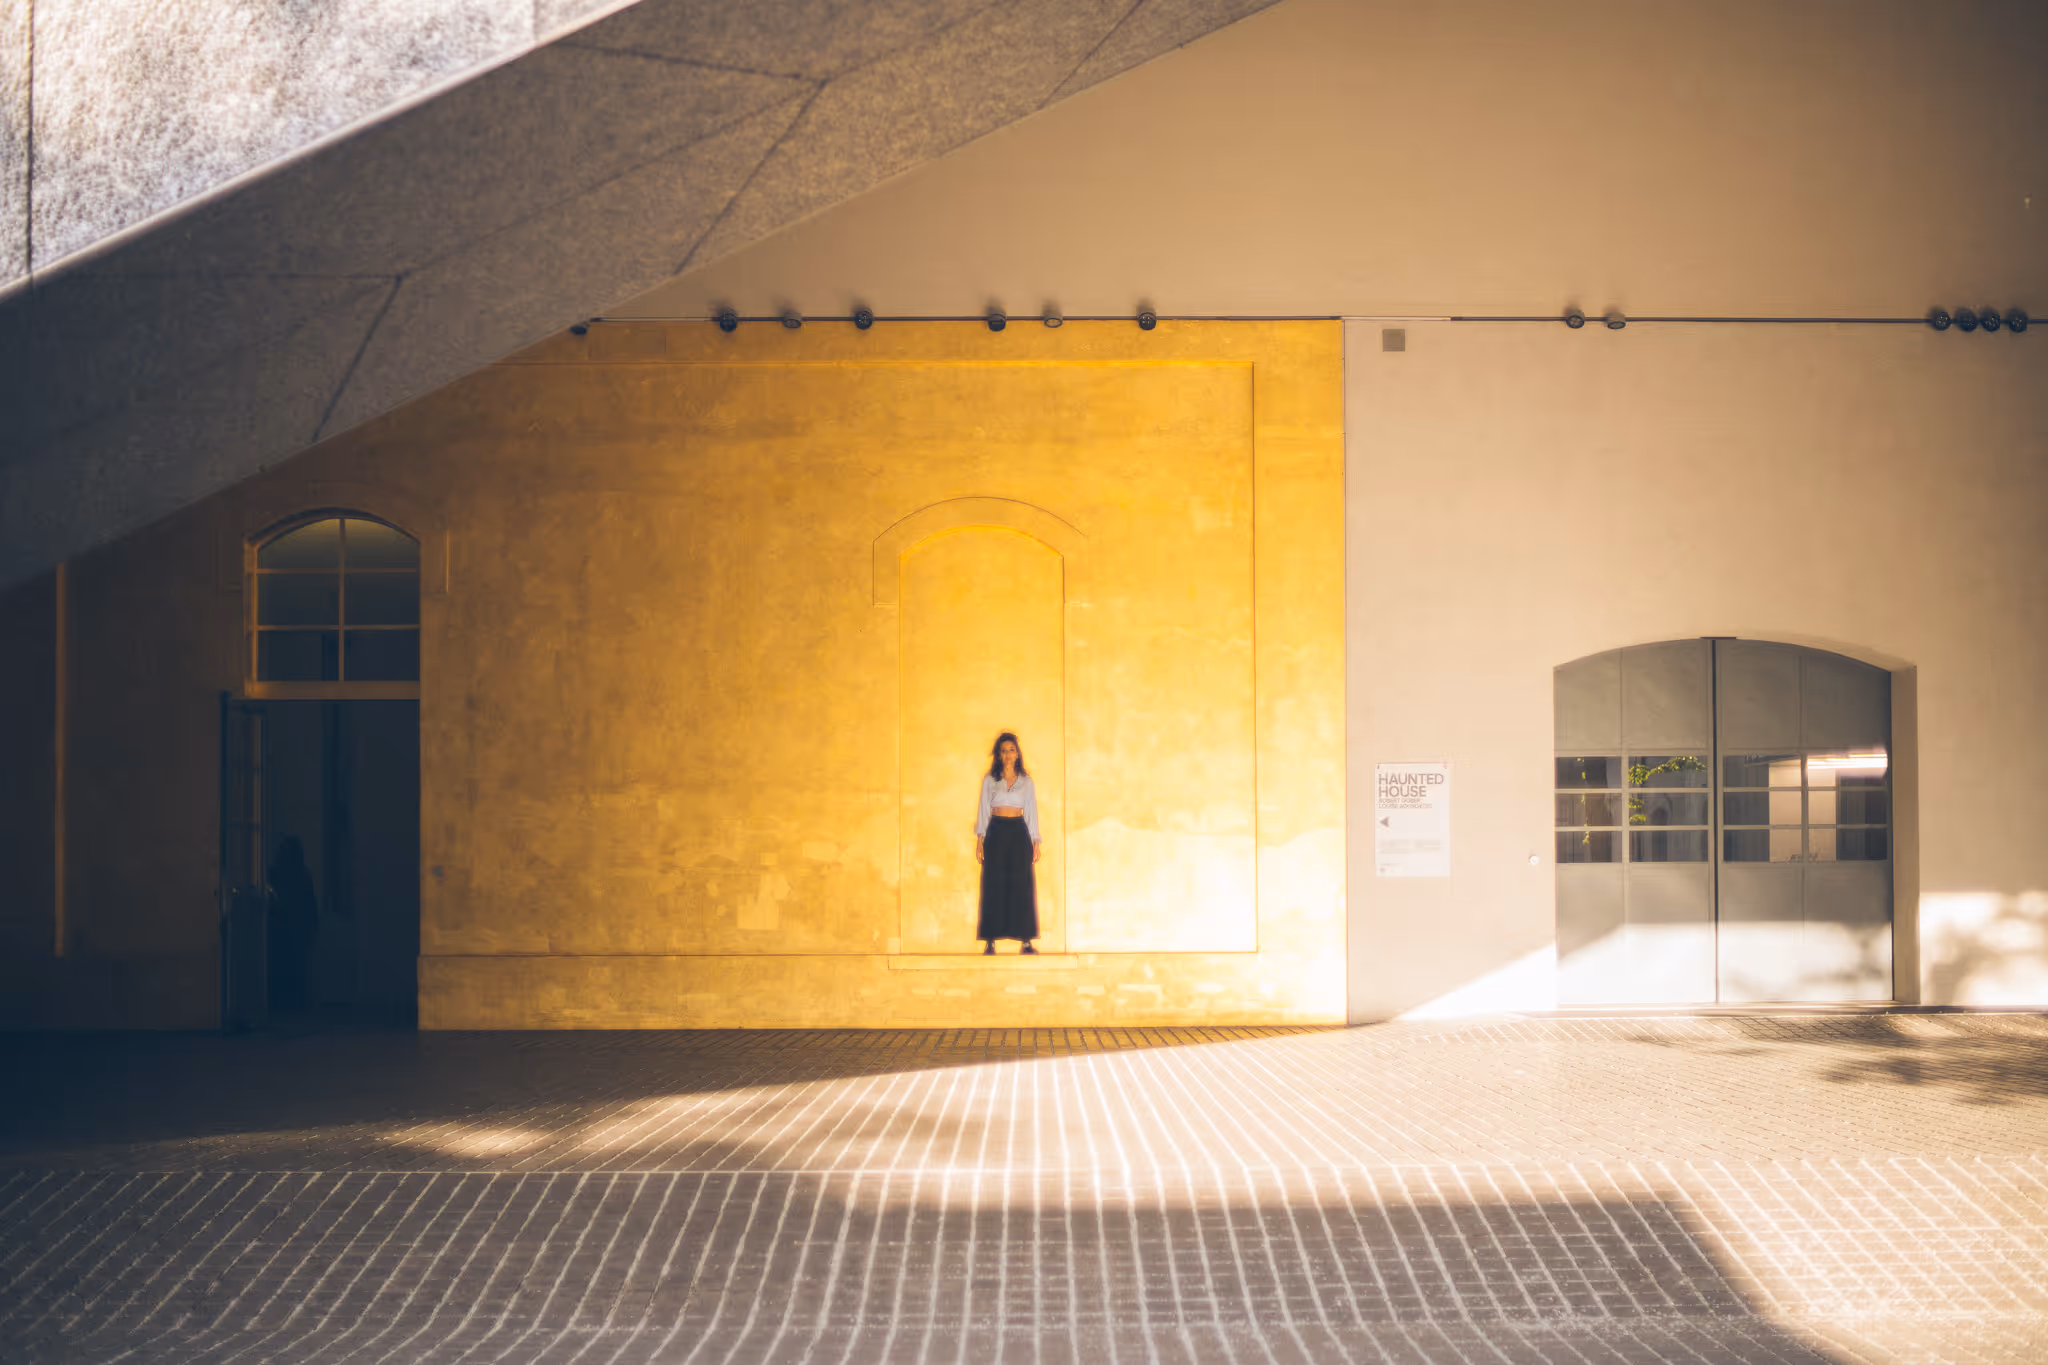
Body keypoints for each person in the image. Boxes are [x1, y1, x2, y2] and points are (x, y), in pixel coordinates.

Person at [974, 731, 1042, 954]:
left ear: (1017, 753)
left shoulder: (1026, 782)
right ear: (998, 755)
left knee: (1022, 884)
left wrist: (1035, 841)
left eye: (1011, 750)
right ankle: (990, 940)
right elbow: (984, 809)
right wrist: (980, 840)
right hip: (996, 830)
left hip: (1018, 832)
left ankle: (1025, 941)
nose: (1008, 754)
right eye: (1003, 751)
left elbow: (1031, 810)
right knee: (993, 883)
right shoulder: (990, 780)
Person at [266, 836, 319, 1010]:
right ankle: (294, 1004)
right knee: (295, 971)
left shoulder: (278, 874)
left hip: (286, 931)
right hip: (291, 931)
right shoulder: (301, 875)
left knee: (289, 971)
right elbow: (310, 907)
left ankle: (286, 1004)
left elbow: (309, 907)